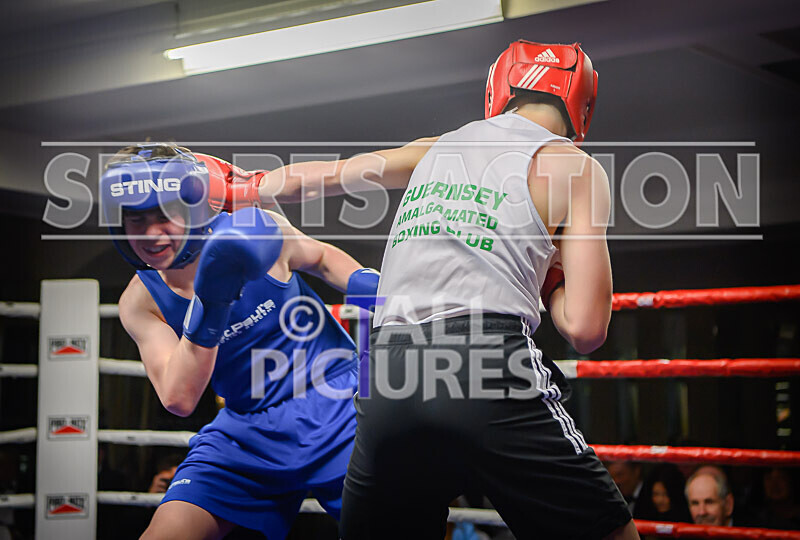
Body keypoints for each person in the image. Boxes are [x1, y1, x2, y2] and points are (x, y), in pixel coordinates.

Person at [241, 40, 638, 539]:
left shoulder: (441, 143)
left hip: (387, 371)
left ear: (501, 88)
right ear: (582, 104)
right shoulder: (575, 167)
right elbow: (584, 329)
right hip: (486, 362)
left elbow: (327, 177)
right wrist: (552, 273)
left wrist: (243, 187)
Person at [99, 143, 379, 539]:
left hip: (342, 409)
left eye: (165, 214)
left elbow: (320, 258)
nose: (150, 233)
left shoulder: (256, 227)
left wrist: (373, 289)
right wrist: (212, 301)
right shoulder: (139, 301)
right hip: (248, 432)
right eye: (136, 218)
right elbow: (179, 398)